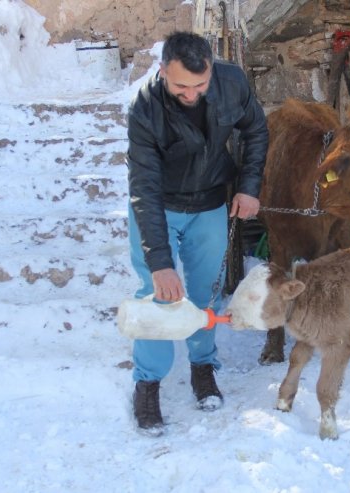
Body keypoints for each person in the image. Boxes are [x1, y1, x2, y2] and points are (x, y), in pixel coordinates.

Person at [125, 31, 268, 434]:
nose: (191, 94)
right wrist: (160, 263)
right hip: (159, 207)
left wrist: (248, 186)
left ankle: (203, 367)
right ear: (161, 71)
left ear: (211, 69)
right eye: (180, 86)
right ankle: (148, 382)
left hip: (209, 203)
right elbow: (144, 189)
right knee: (159, 296)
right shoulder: (143, 109)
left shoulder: (232, 82)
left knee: (205, 291)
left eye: (199, 85)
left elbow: (256, 130)